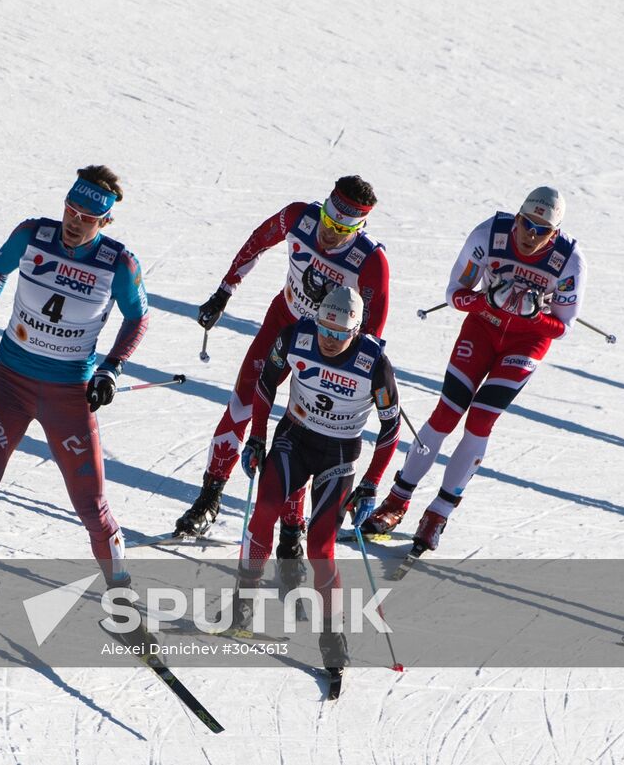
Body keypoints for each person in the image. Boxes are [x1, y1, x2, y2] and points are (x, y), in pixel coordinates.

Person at [0, 166, 150, 619]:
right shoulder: (32, 234)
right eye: (70, 209)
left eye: (86, 216)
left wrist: (112, 367)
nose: (73, 221)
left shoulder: (118, 264)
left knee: (91, 504)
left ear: (104, 223)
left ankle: (122, 595)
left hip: (69, 393)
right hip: (11, 384)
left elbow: (138, 316)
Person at [175, 177, 391, 575]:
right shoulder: (298, 217)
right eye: (328, 219)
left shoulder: (370, 261)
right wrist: (224, 292)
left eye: (342, 229)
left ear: (359, 229)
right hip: (283, 322)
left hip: (326, 348)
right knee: (242, 403)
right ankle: (209, 497)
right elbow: (256, 243)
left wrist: (359, 373)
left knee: (303, 426)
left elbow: (372, 332)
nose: (329, 232)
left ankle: (292, 527)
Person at [362, 186, 587, 553]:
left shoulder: (570, 260)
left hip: (525, 343)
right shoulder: (490, 235)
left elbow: (564, 326)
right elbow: (454, 293)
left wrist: (533, 314)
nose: (530, 236)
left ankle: (439, 512)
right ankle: (397, 499)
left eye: (541, 231)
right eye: (526, 224)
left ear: (555, 233)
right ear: (516, 218)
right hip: (482, 327)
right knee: (446, 412)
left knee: (481, 420)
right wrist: (487, 299)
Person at [230, 286, 400, 677]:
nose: (329, 339)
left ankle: (331, 636)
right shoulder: (297, 336)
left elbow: (390, 429)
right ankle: (244, 598)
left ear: (355, 331)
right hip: (295, 438)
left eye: (340, 334)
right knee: (265, 513)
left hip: (338, 455)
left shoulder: (374, 363)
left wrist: (372, 483)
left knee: (322, 549)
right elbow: (265, 384)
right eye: (326, 328)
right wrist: (257, 436)